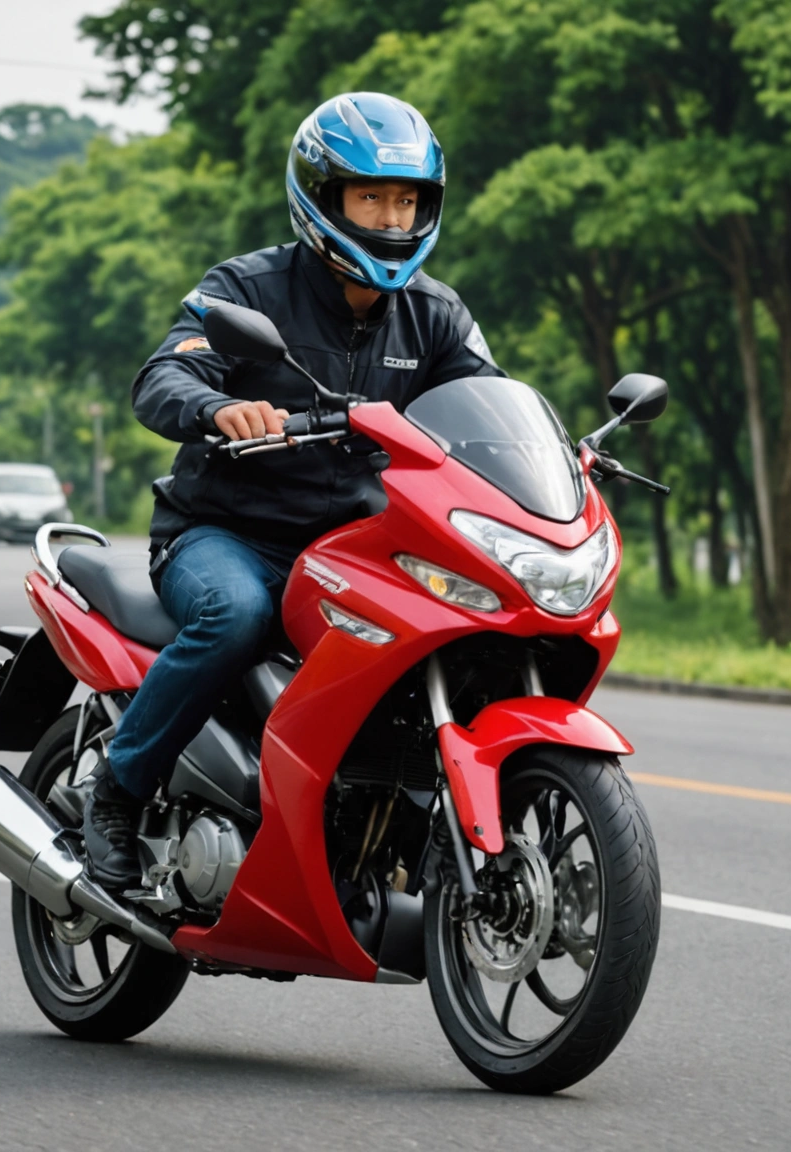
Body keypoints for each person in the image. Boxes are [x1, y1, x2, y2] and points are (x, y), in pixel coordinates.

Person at [83, 92, 502, 888]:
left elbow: (489, 404)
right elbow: (162, 375)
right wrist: (217, 407)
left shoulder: (437, 315)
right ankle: (120, 789)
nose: (388, 218)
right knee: (235, 614)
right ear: (323, 196)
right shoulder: (247, 288)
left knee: (456, 634)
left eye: (405, 200)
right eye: (370, 197)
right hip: (227, 534)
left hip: (358, 548)